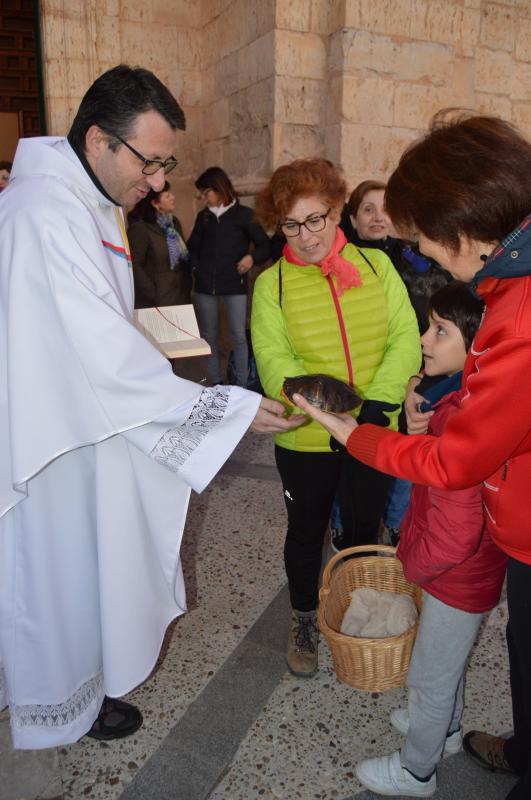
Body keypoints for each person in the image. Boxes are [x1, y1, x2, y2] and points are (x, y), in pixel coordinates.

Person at [0, 64, 303, 750]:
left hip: (79, 426)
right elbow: (100, 353)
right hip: (51, 445)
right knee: (54, 578)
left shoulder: (81, 201)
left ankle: (76, 689)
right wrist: (228, 407)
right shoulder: (44, 213)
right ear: (100, 139)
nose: (161, 181)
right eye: (152, 161)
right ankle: (57, 704)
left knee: (78, 571)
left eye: (167, 164)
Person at [291, 114, 531, 800]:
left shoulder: (515, 315)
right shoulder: (505, 287)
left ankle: (422, 766)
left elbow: (454, 467)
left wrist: (347, 431)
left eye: (423, 237)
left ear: (464, 226)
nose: (421, 252)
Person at [251, 158, 421, 678]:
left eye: (316, 219)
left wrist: (375, 408)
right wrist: (330, 416)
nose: (305, 236)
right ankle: (304, 615)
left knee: (363, 528)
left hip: (373, 430)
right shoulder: (271, 284)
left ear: (337, 210)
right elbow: (276, 362)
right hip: (307, 439)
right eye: (291, 224)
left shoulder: (377, 267)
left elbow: (403, 338)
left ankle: (354, 608)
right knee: (305, 531)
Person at [356, 282, 507, 797]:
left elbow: (456, 530)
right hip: (465, 573)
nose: (425, 339)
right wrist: (415, 424)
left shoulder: (460, 419)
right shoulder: (460, 396)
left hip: (455, 575)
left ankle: (417, 770)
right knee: (445, 662)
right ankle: (443, 730)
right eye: (429, 325)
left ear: (477, 344)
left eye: (440, 330)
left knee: (429, 675)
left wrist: (414, 563)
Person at [187, 166, 271, 387]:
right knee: (209, 336)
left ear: (220, 189)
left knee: (238, 336)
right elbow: (192, 248)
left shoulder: (245, 215)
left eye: (206, 193)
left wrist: (251, 258)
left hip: (236, 285)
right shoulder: (203, 217)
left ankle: (241, 385)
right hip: (206, 287)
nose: (204, 199)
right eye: (202, 194)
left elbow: (265, 245)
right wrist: (197, 268)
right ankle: (215, 382)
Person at [127, 180, 191, 308]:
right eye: (167, 195)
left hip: (180, 296)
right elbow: (134, 264)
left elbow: (183, 259)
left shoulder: (174, 223)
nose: (173, 197)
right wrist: (152, 292)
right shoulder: (140, 228)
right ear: (155, 203)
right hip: (157, 300)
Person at [340, 179, 404, 269]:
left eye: (385, 209)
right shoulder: (342, 261)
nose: (378, 218)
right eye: (369, 209)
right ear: (353, 219)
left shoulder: (404, 251)